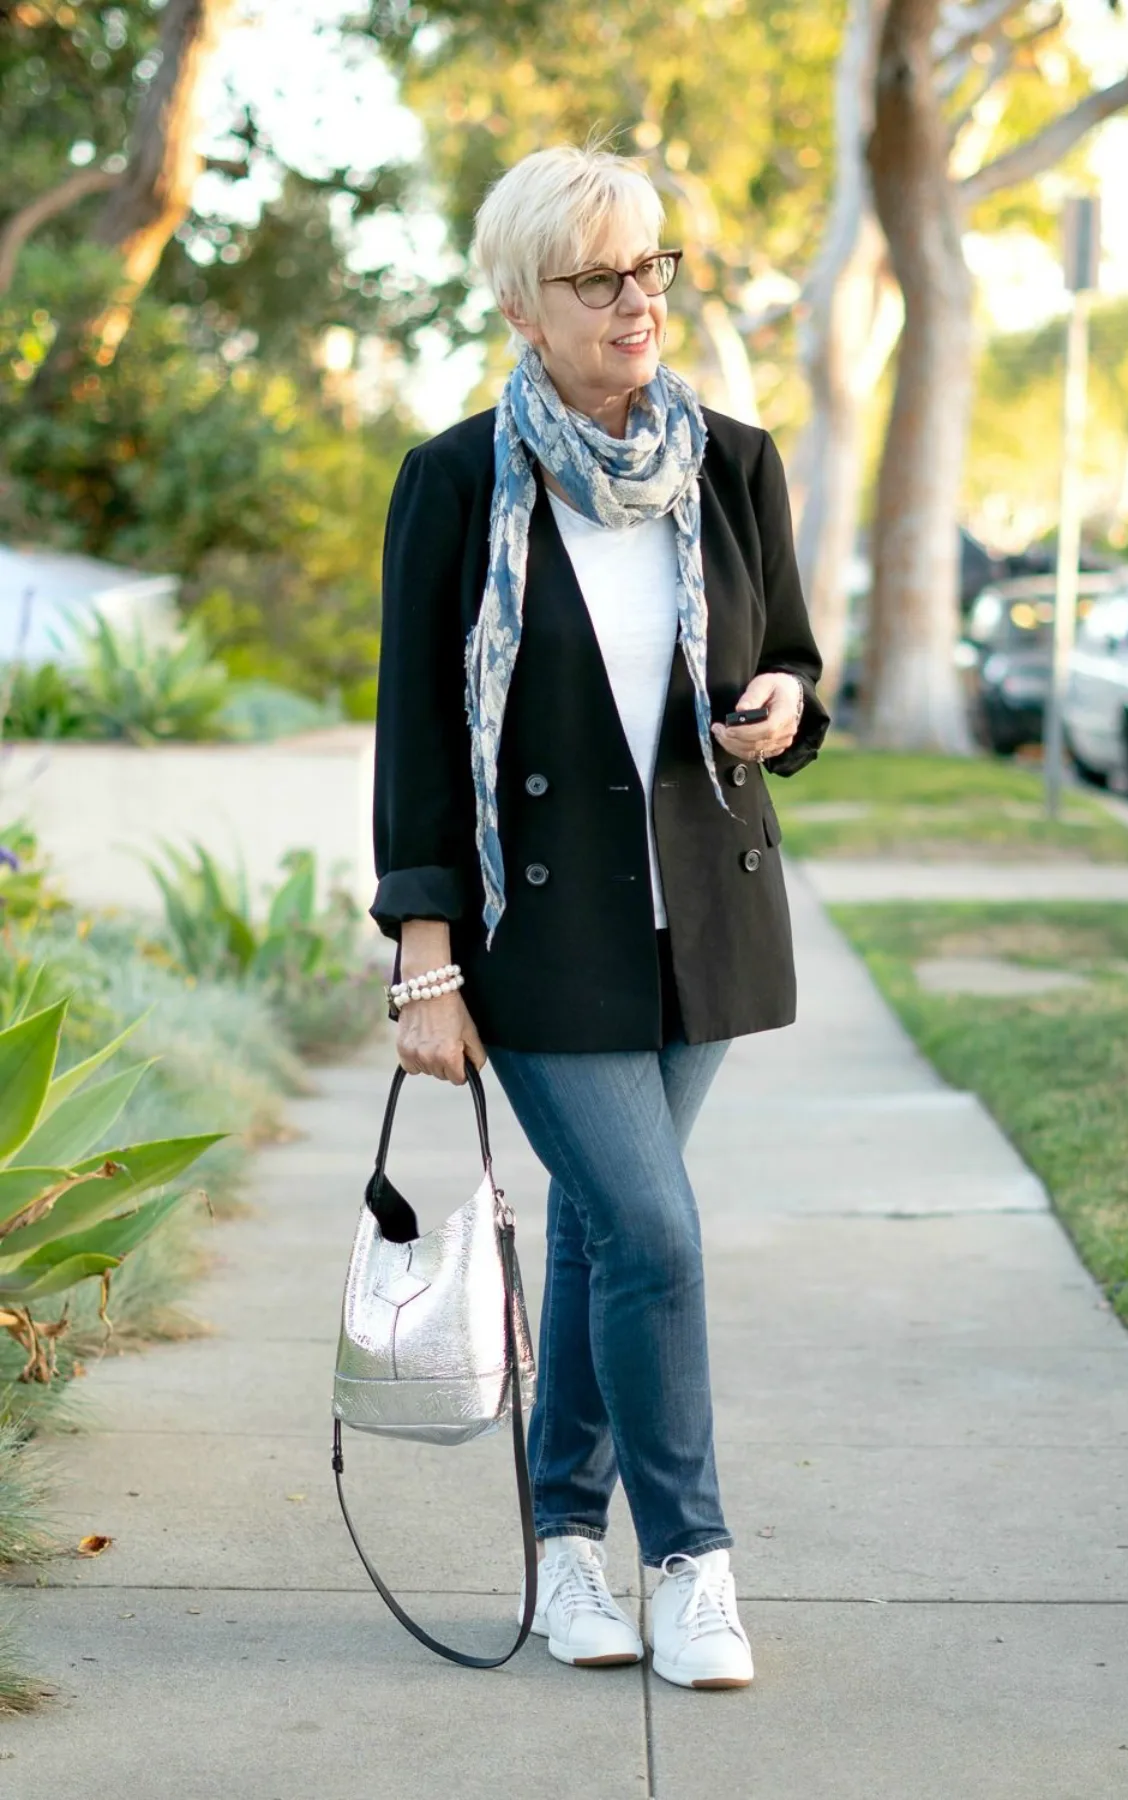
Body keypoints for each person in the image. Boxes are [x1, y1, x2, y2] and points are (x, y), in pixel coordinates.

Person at [370, 143, 828, 1691]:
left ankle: (567, 1548)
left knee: (610, 1244)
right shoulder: (450, 482)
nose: (637, 302)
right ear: (520, 306)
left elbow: (797, 665)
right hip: (539, 934)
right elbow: (421, 738)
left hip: (700, 919)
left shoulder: (734, 461)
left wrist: (784, 706)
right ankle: (691, 1561)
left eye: (652, 268)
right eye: (596, 279)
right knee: (653, 1232)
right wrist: (424, 960)